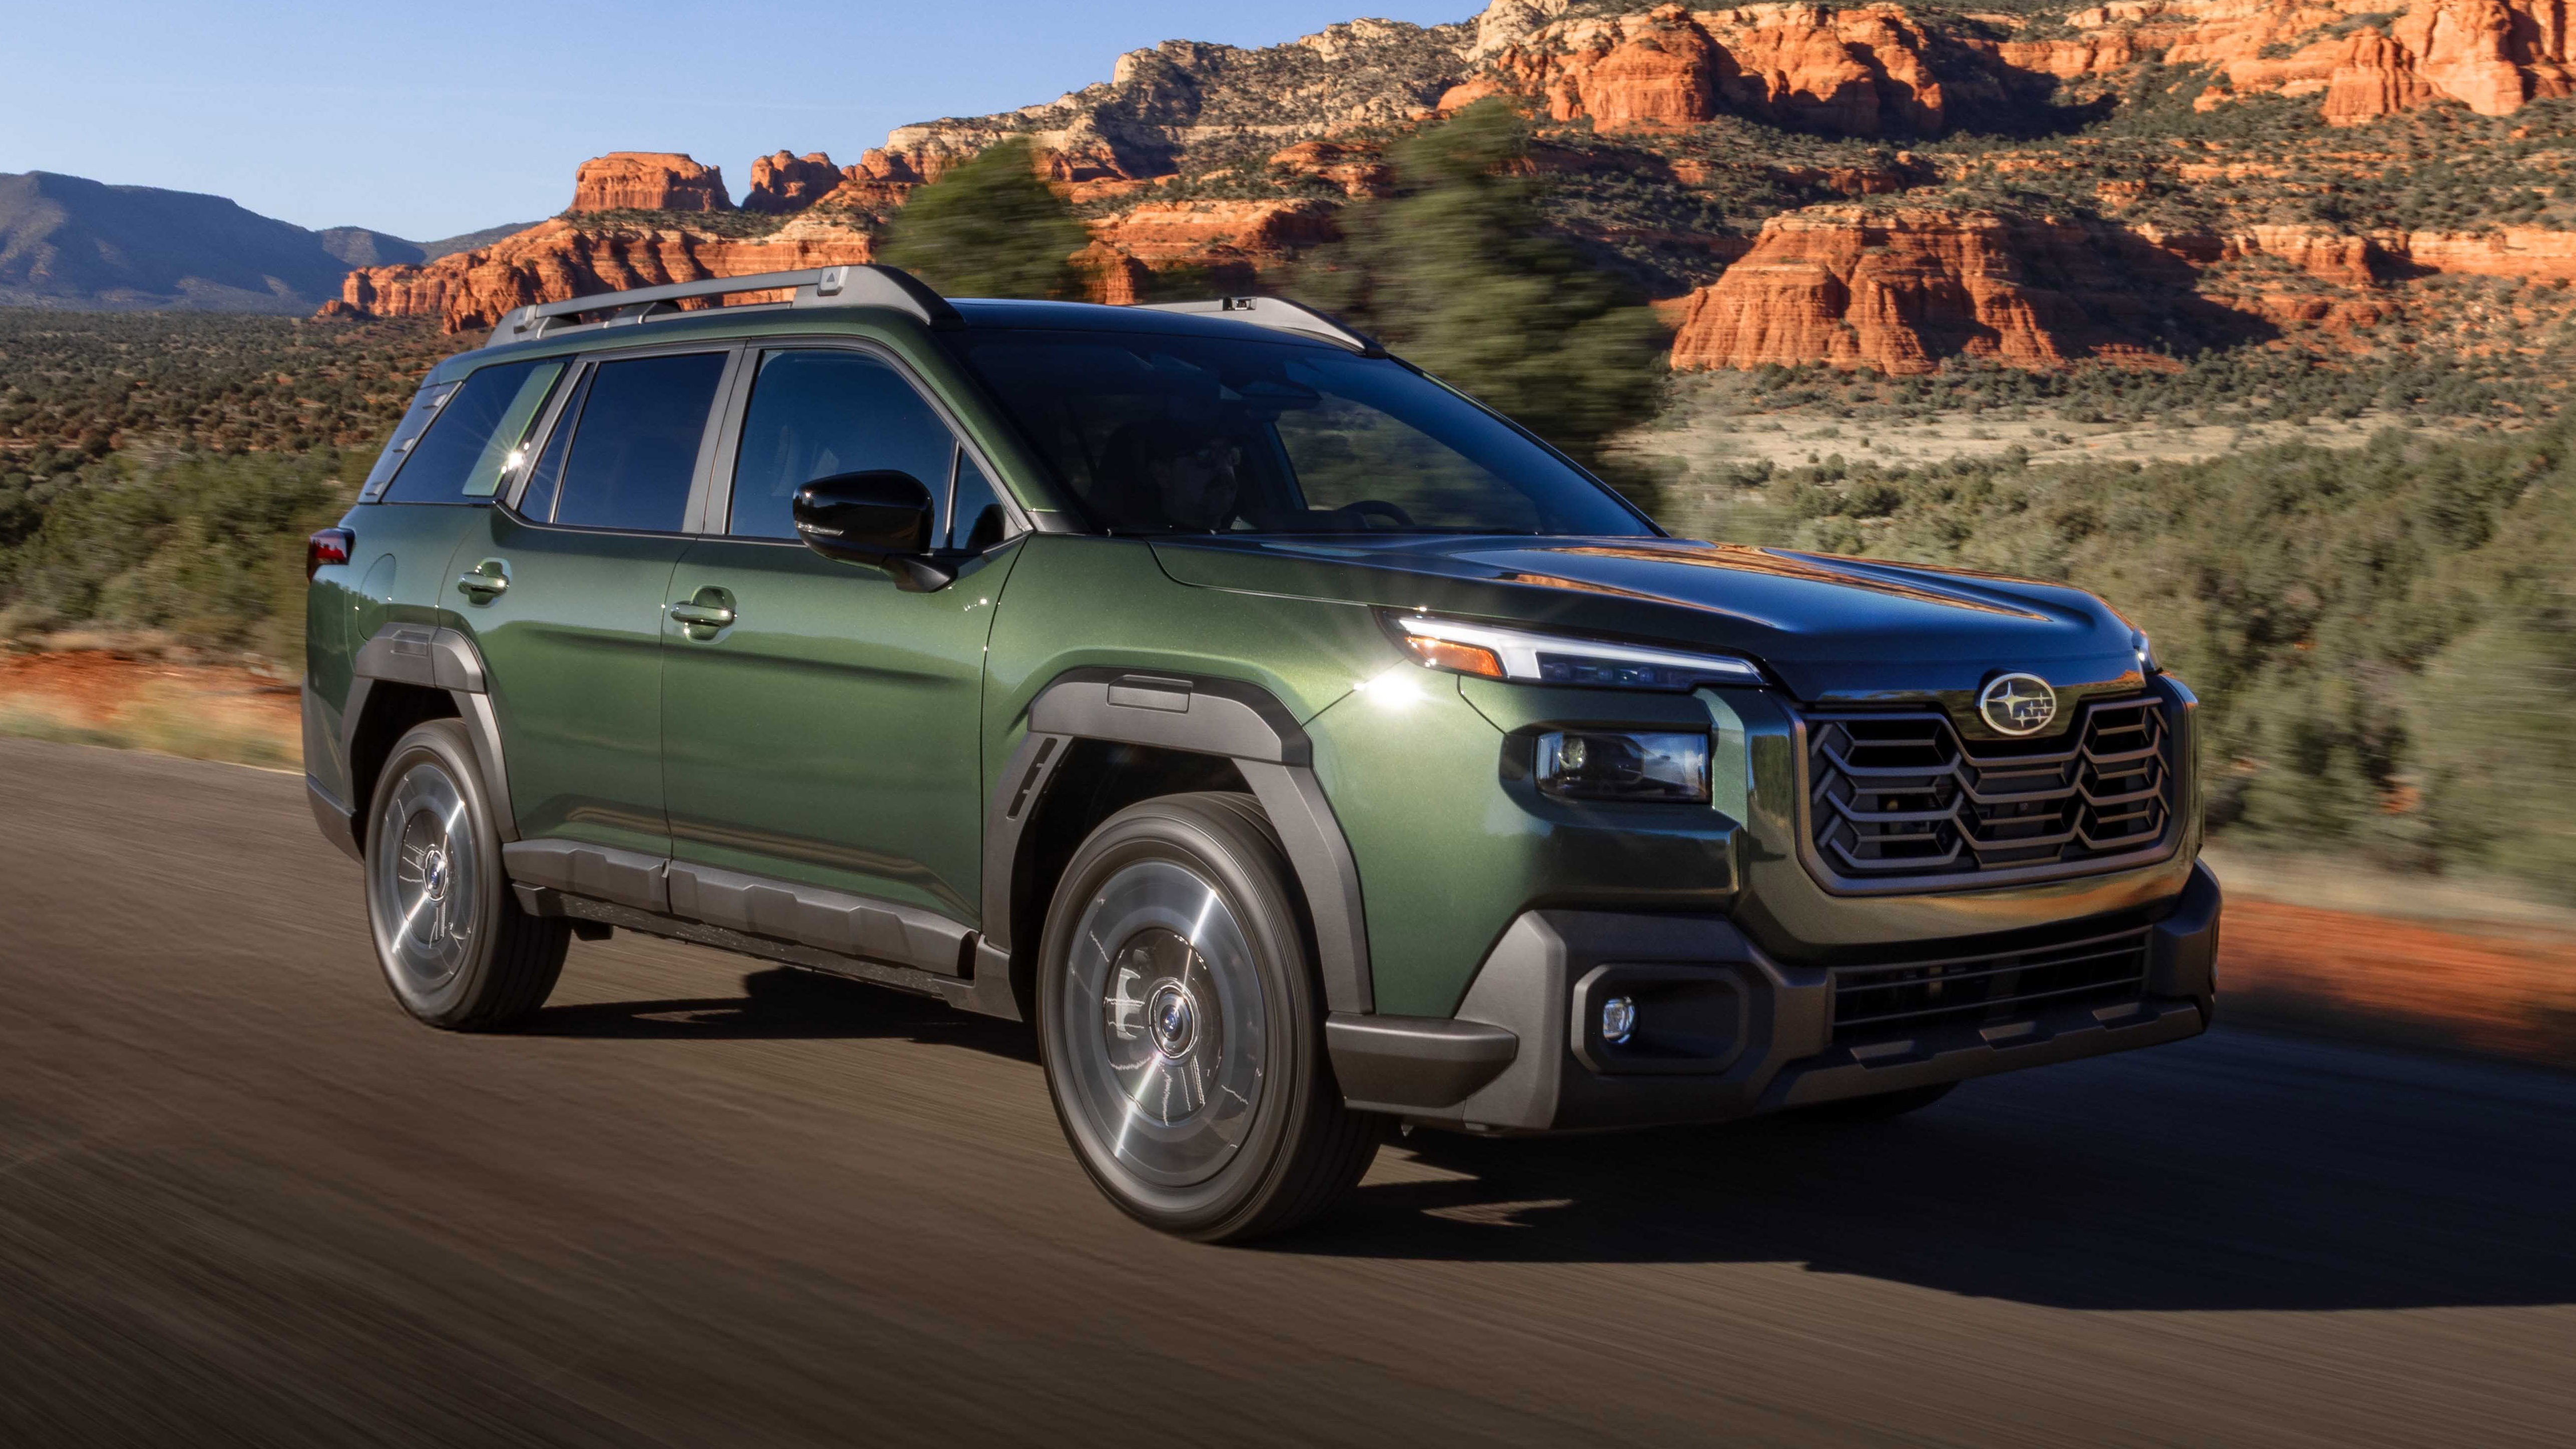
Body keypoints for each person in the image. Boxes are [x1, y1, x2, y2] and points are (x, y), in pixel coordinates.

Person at [1088, 420, 1248, 533]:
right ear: (1162, 473)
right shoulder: (1136, 549)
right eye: (1204, 456)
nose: (1223, 468)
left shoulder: (1256, 537)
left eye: (1230, 455)